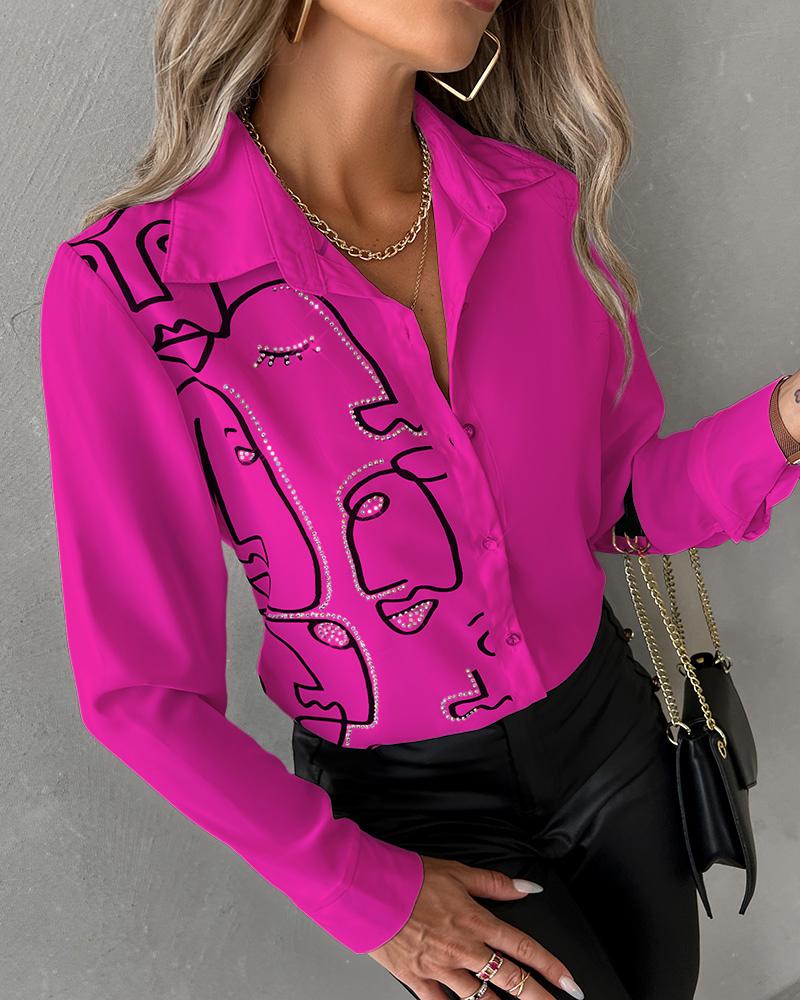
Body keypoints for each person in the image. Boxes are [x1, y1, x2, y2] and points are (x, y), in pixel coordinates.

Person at [39, 1, 800, 998]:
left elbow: (614, 500)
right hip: (414, 806)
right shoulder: (138, 287)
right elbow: (141, 693)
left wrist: (787, 420)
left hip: (612, 742)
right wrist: (366, 893)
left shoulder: (533, 203)